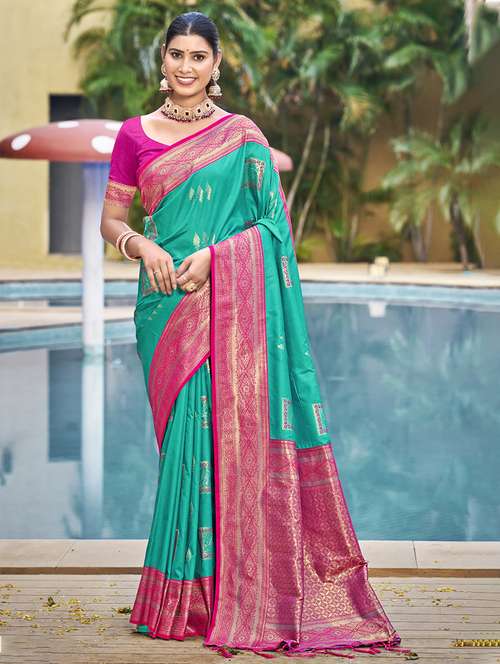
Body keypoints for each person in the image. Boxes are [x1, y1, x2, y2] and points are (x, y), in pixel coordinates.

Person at [100, 11, 410, 660]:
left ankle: (219, 596)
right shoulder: (134, 134)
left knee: (223, 443)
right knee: (183, 451)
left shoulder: (241, 137)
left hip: (225, 304)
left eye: (199, 57)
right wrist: (141, 246)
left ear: (216, 65)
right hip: (164, 308)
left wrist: (217, 260)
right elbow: (112, 220)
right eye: (177, 54)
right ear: (163, 60)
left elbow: (273, 227)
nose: (186, 67)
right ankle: (181, 594)